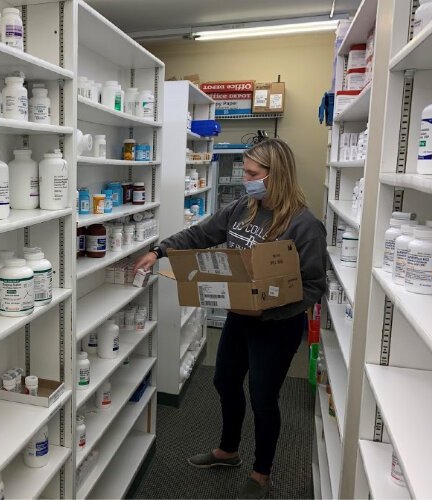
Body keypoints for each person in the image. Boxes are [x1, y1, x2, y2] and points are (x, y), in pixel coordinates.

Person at [134, 138, 326, 499]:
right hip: (240, 316)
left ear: (276, 175)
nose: (246, 178)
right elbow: (201, 233)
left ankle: (261, 473)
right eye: (245, 171)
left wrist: (270, 306)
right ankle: (228, 450)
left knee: (264, 397)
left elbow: (315, 285)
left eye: (253, 173)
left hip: (277, 326)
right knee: (224, 381)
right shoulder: (243, 208)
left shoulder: (304, 225)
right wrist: (158, 250)